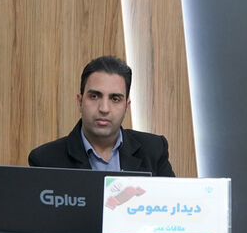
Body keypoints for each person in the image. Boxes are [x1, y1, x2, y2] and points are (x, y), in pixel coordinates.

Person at [28, 55, 176, 176]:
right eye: (94, 96)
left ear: (126, 106)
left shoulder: (154, 150)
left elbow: (171, 202)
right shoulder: (45, 160)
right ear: (80, 102)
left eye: (115, 99)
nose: (104, 109)